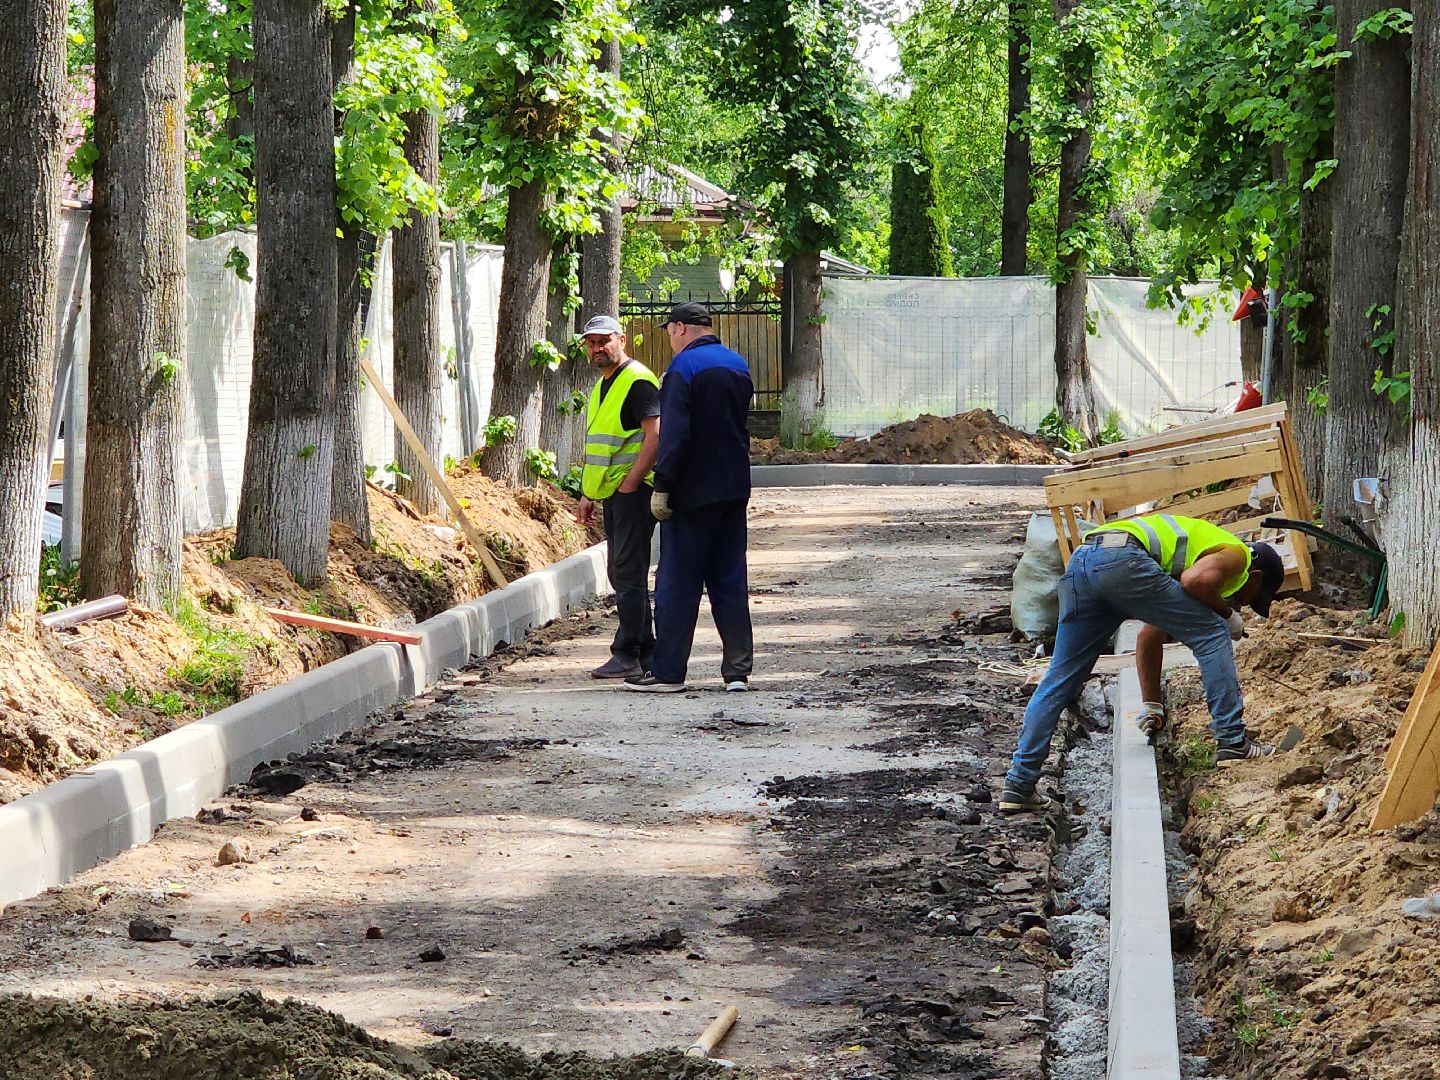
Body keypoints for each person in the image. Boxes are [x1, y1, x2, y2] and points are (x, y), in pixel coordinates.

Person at [999, 513, 1287, 814]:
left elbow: (1151, 633)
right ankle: (1232, 741)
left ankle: (1019, 785)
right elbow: (1195, 581)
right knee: (1213, 631)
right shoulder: (1236, 555)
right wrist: (1227, 617)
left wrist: (1152, 705)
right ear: (1255, 577)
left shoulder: (1191, 557)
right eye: (1251, 599)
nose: (1241, 603)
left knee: (1060, 679)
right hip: (1122, 559)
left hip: (1083, 562)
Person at [625, 301, 754, 693]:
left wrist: (662, 485)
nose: (669, 339)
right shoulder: (738, 364)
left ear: (681, 328)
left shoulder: (682, 369)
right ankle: (737, 672)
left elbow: (675, 434)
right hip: (733, 489)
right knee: (729, 578)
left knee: (677, 582)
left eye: (668, 332)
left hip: (692, 493)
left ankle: (667, 672)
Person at [574, 314, 662, 679]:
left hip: (633, 492)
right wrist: (587, 493)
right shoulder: (603, 385)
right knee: (622, 571)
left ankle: (627, 651)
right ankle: (647, 652)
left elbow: (655, 435)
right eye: (591, 343)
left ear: (621, 339)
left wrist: (630, 483)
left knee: (627, 572)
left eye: (603, 340)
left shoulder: (637, 380)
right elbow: (602, 447)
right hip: (613, 492)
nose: (597, 348)